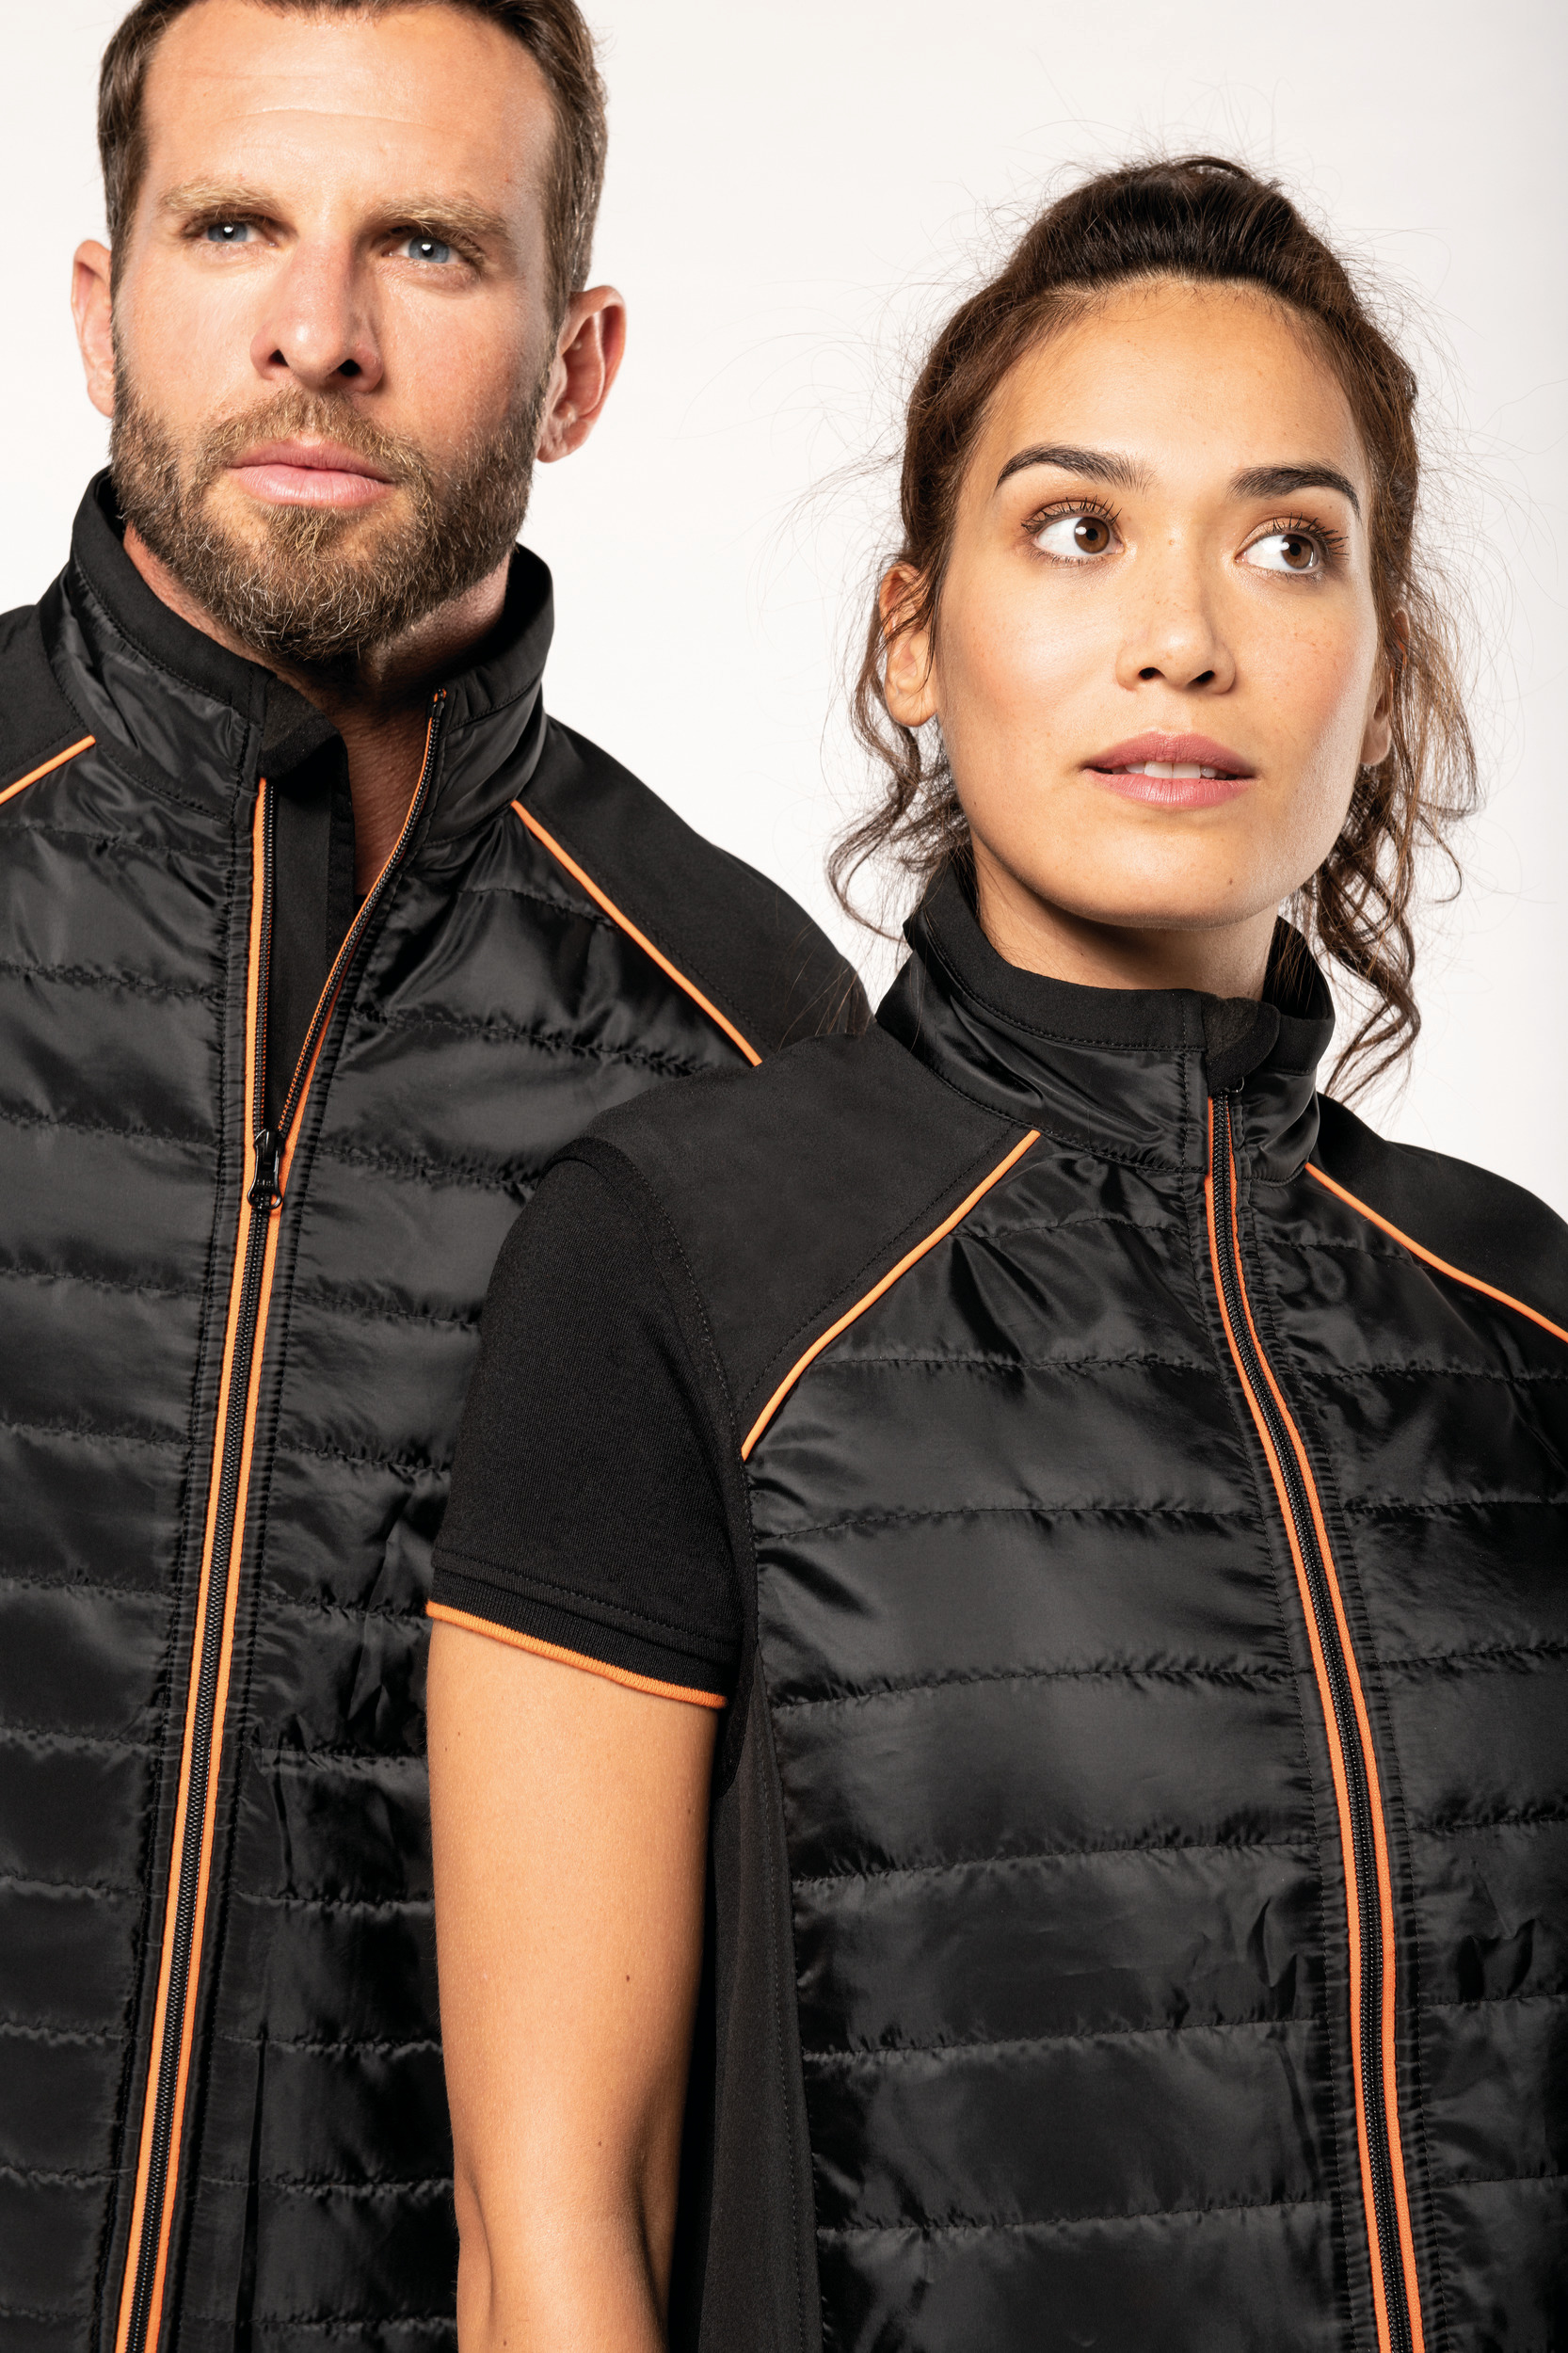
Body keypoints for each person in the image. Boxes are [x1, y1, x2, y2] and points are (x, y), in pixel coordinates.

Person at [428, 156, 1568, 2352]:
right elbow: (548, 2229)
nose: (1181, 634)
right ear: (910, 637)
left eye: (1286, 542)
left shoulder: (1519, 1317)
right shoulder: (683, 1257)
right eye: (1073, 528)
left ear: (1376, 665)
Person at [0, 2, 865, 2345]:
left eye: (428, 246)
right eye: (232, 227)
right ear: (97, 311)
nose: (319, 330)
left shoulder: (746, 1043)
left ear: (576, 365)